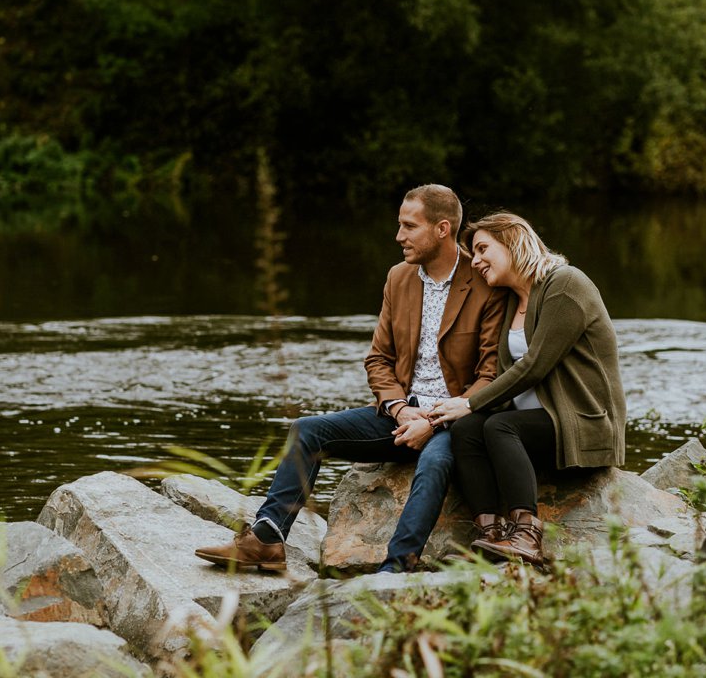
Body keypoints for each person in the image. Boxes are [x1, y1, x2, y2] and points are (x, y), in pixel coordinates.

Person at [195, 184, 506, 573]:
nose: (399, 236)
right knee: (307, 430)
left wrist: (432, 420)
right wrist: (399, 409)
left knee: (435, 463)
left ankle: (395, 569)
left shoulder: (484, 282)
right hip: (400, 414)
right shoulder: (399, 277)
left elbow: (491, 374)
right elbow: (379, 359)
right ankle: (268, 539)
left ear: (442, 229)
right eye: (399, 225)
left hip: (453, 422)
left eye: (409, 227)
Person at [426, 212, 626, 566]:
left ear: (514, 240)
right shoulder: (508, 301)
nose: (478, 260)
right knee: (469, 429)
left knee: (496, 424)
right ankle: (490, 533)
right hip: (535, 424)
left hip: (584, 424)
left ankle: (527, 536)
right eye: (474, 253)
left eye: (484, 248)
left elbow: (534, 366)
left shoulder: (564, 284)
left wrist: (469, 402)